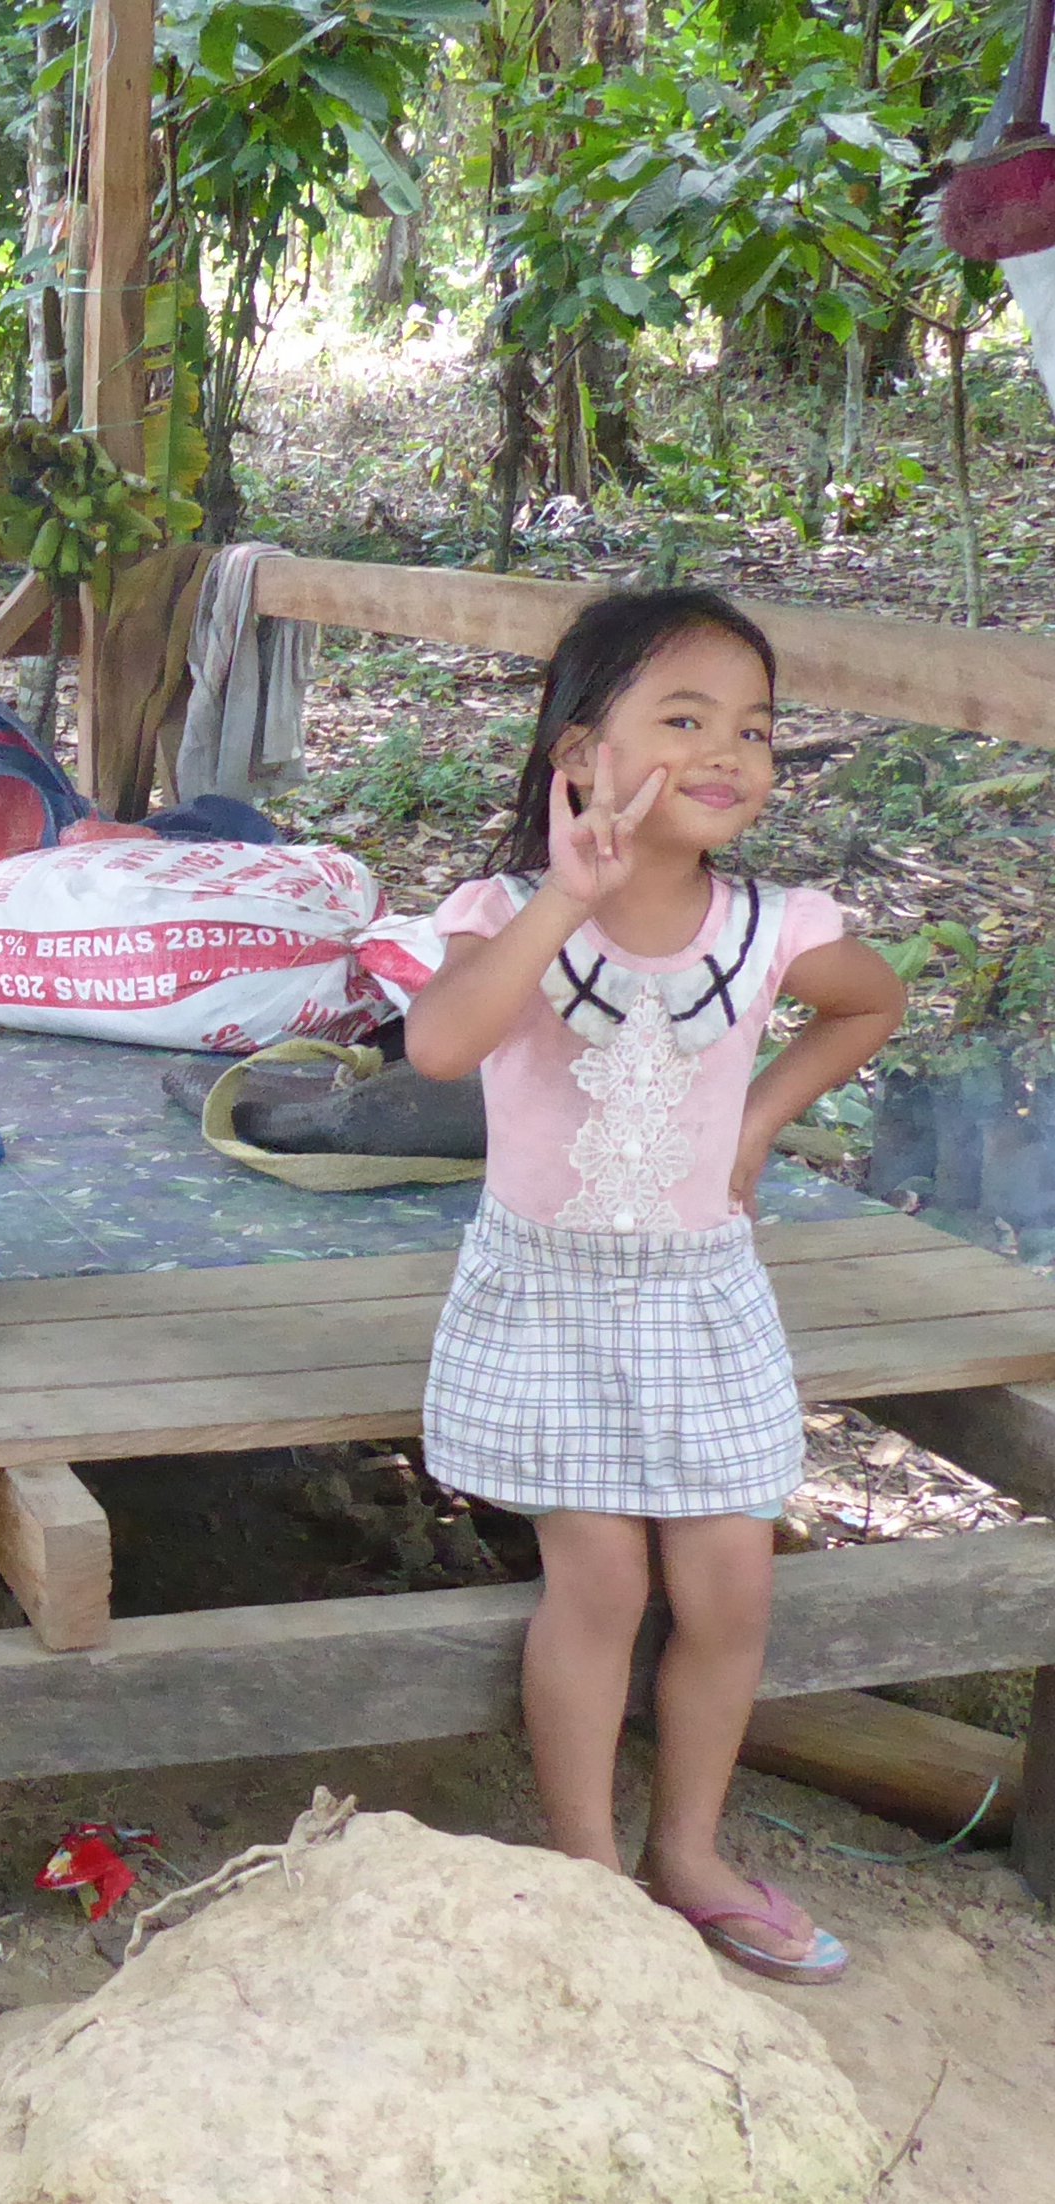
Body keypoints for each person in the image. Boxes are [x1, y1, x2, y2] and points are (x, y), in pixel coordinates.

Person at [405, 587, 904, 1987]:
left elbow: (872, 1001)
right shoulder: (506, 914)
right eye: (683, 719)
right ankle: (587, 1871)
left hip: (701, 1297)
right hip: (550, 1299)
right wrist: (569, 891)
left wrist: (757, 1123)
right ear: (581, 754)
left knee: (731, 1583)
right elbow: (439, 1046)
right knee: (603, 1576)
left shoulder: (773, 926)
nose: (729, 752)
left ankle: (690, 1855)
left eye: (754, 728)